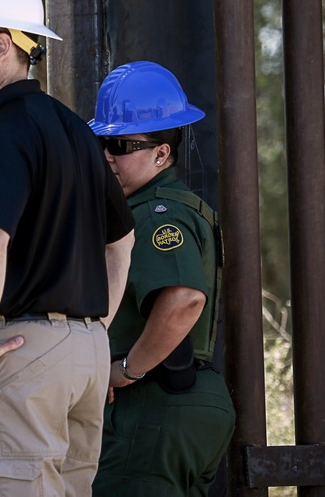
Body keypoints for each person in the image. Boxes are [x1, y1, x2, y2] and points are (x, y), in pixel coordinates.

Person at [0, 0, 136, 496]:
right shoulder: (74, 129)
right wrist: (94, 332)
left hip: (23, 353)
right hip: (85, 356)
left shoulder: (2, 134)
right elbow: (122, 238)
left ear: (1, 46)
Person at [88, 60, 235, 495]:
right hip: (177, 400)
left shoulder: (156, 215)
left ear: (162, 153)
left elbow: (185, 298)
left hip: (153, 404)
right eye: (103, 142)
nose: (108, 155)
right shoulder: (167, 206)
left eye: (122, 144)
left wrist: (127, 371)